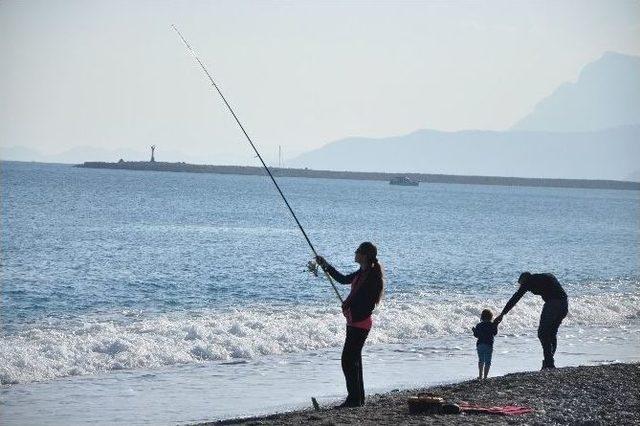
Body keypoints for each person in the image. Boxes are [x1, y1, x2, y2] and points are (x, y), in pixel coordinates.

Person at [315, 242, 384, 408]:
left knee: (348, 360)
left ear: (365, 255)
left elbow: (366, 303)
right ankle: (358, 398)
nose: (355, 252)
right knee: (354, 360)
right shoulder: (363, 272)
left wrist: (350, 308)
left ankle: (354, 399)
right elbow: (344, 279)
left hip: (360, 322)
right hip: (355, 321)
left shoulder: (372, 276)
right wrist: (325, 265)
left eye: (358, 251)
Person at [494, 272, 568, 369]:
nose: (524, 288)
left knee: (542, 333)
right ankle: (549, 362)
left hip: (552, 305)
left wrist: (503, 313)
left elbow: (516, 297)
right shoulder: (544, 276)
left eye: (521, 284)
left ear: (524, 280)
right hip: (564, 304)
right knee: (552, 333)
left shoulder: (529, 281)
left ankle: (549, 362)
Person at [473, 309, 498, 379]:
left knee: (481, 360)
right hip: (489, 344)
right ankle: (485, 376)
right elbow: (495, 333)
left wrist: (474, 330)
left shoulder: (479, 325)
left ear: (482, 317)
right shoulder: (492, 325)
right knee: (488, 361)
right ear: (490, 317)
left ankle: (480, 375)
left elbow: (476, 335)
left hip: (480, 345)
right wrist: (495, 325)